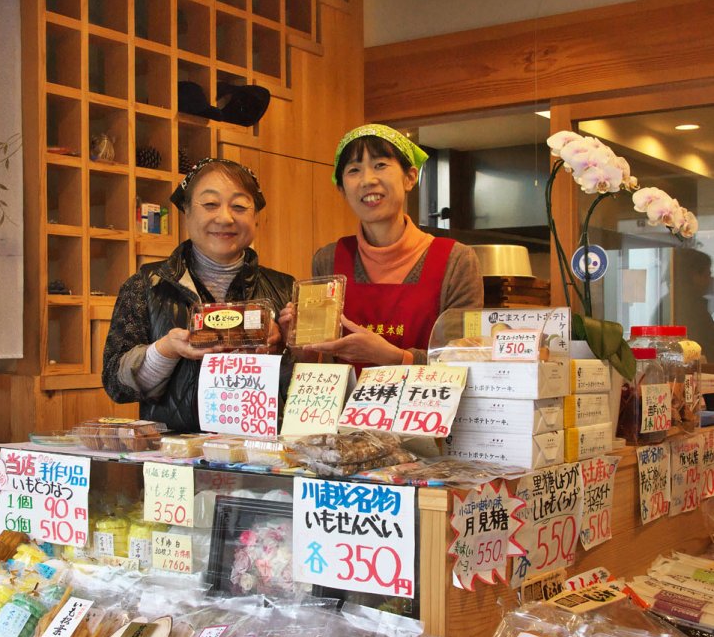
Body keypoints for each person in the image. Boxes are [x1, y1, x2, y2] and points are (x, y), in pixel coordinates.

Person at [103, 158, 294, 431]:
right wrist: (166, 350)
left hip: (260, 457)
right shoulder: (146, 285)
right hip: (173, 458)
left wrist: (284, 350)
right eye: (210, 204)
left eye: (239, 206)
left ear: (256, 218)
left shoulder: (284, 289)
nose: (225, 218)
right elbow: (116, 385)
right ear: (186, 213)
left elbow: (302, 392)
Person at [279, 124, 483, 368]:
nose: (368, 180)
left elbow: (465, 359)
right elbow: (322, 361)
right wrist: (301, 345)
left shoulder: (456, 260)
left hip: (426, 403)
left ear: (410, 177)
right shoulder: (329, 259)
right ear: (341, 189)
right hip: (346, 406)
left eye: (380, 165)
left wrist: (395, 358)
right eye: (354, 170)